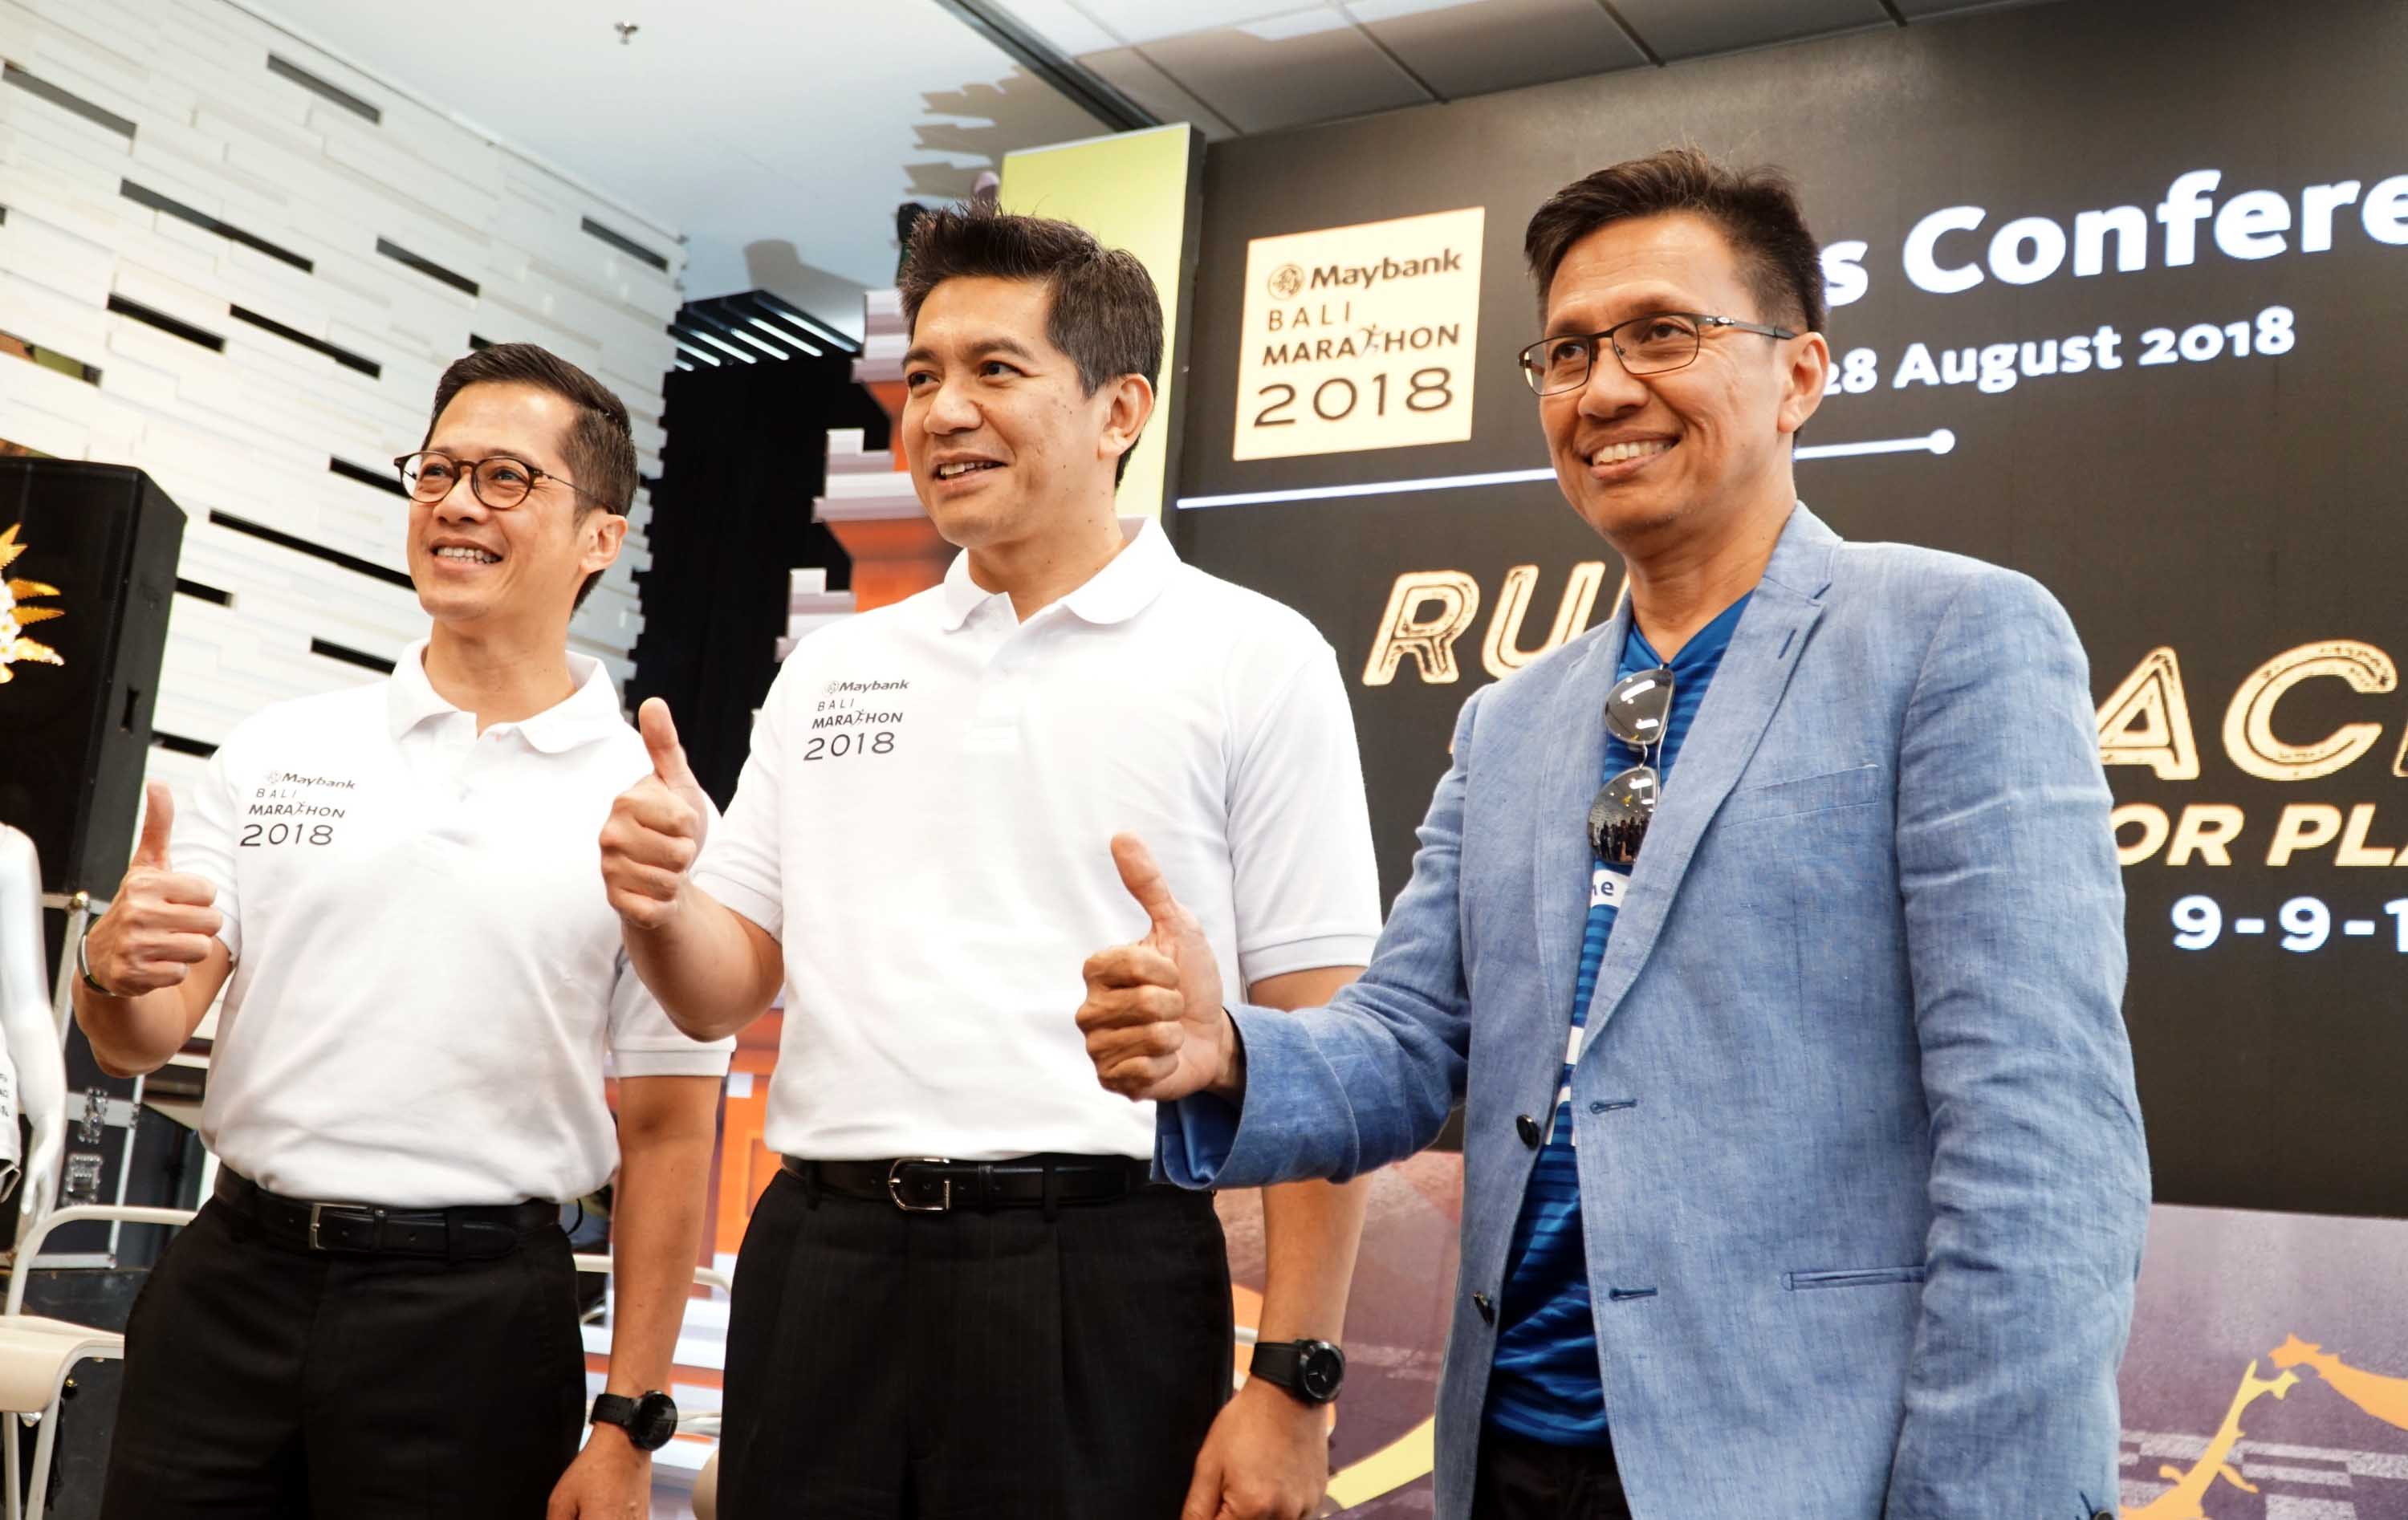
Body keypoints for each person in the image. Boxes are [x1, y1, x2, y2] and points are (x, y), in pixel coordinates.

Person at [1074, 148, 2151, 1520]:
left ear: (1800, 375)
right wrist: (1224, 1048)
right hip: (1512, 1456)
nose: (1605, 389)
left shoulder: (1950, 638)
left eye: (1663, 335)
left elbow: (2041, 1137)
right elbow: (1403, 1042)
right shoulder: (1511, 721)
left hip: (1799, 1473)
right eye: (1570, 352)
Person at [599, 205, 1383, 1520]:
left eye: (995, 370)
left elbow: (1327, 1047)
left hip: (1098, 1274)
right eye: (922, 377)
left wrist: (1296, 1378)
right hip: (823, 1260)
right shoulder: (838, 665)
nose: (942, 411)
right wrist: (660, 900)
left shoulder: (1256, 656)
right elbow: (717, 988)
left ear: (1120, 409)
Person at [72, 343, 731, 1519]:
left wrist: (630, 1421)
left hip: (476, 1323)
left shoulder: (650, 805)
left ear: (601, 536)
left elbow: (672, 1130)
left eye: (507, 478)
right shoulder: (282, 747)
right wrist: (105, 969)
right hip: (232, 1283)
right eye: (438, 471)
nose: (458, 503)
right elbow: (139, 1036)